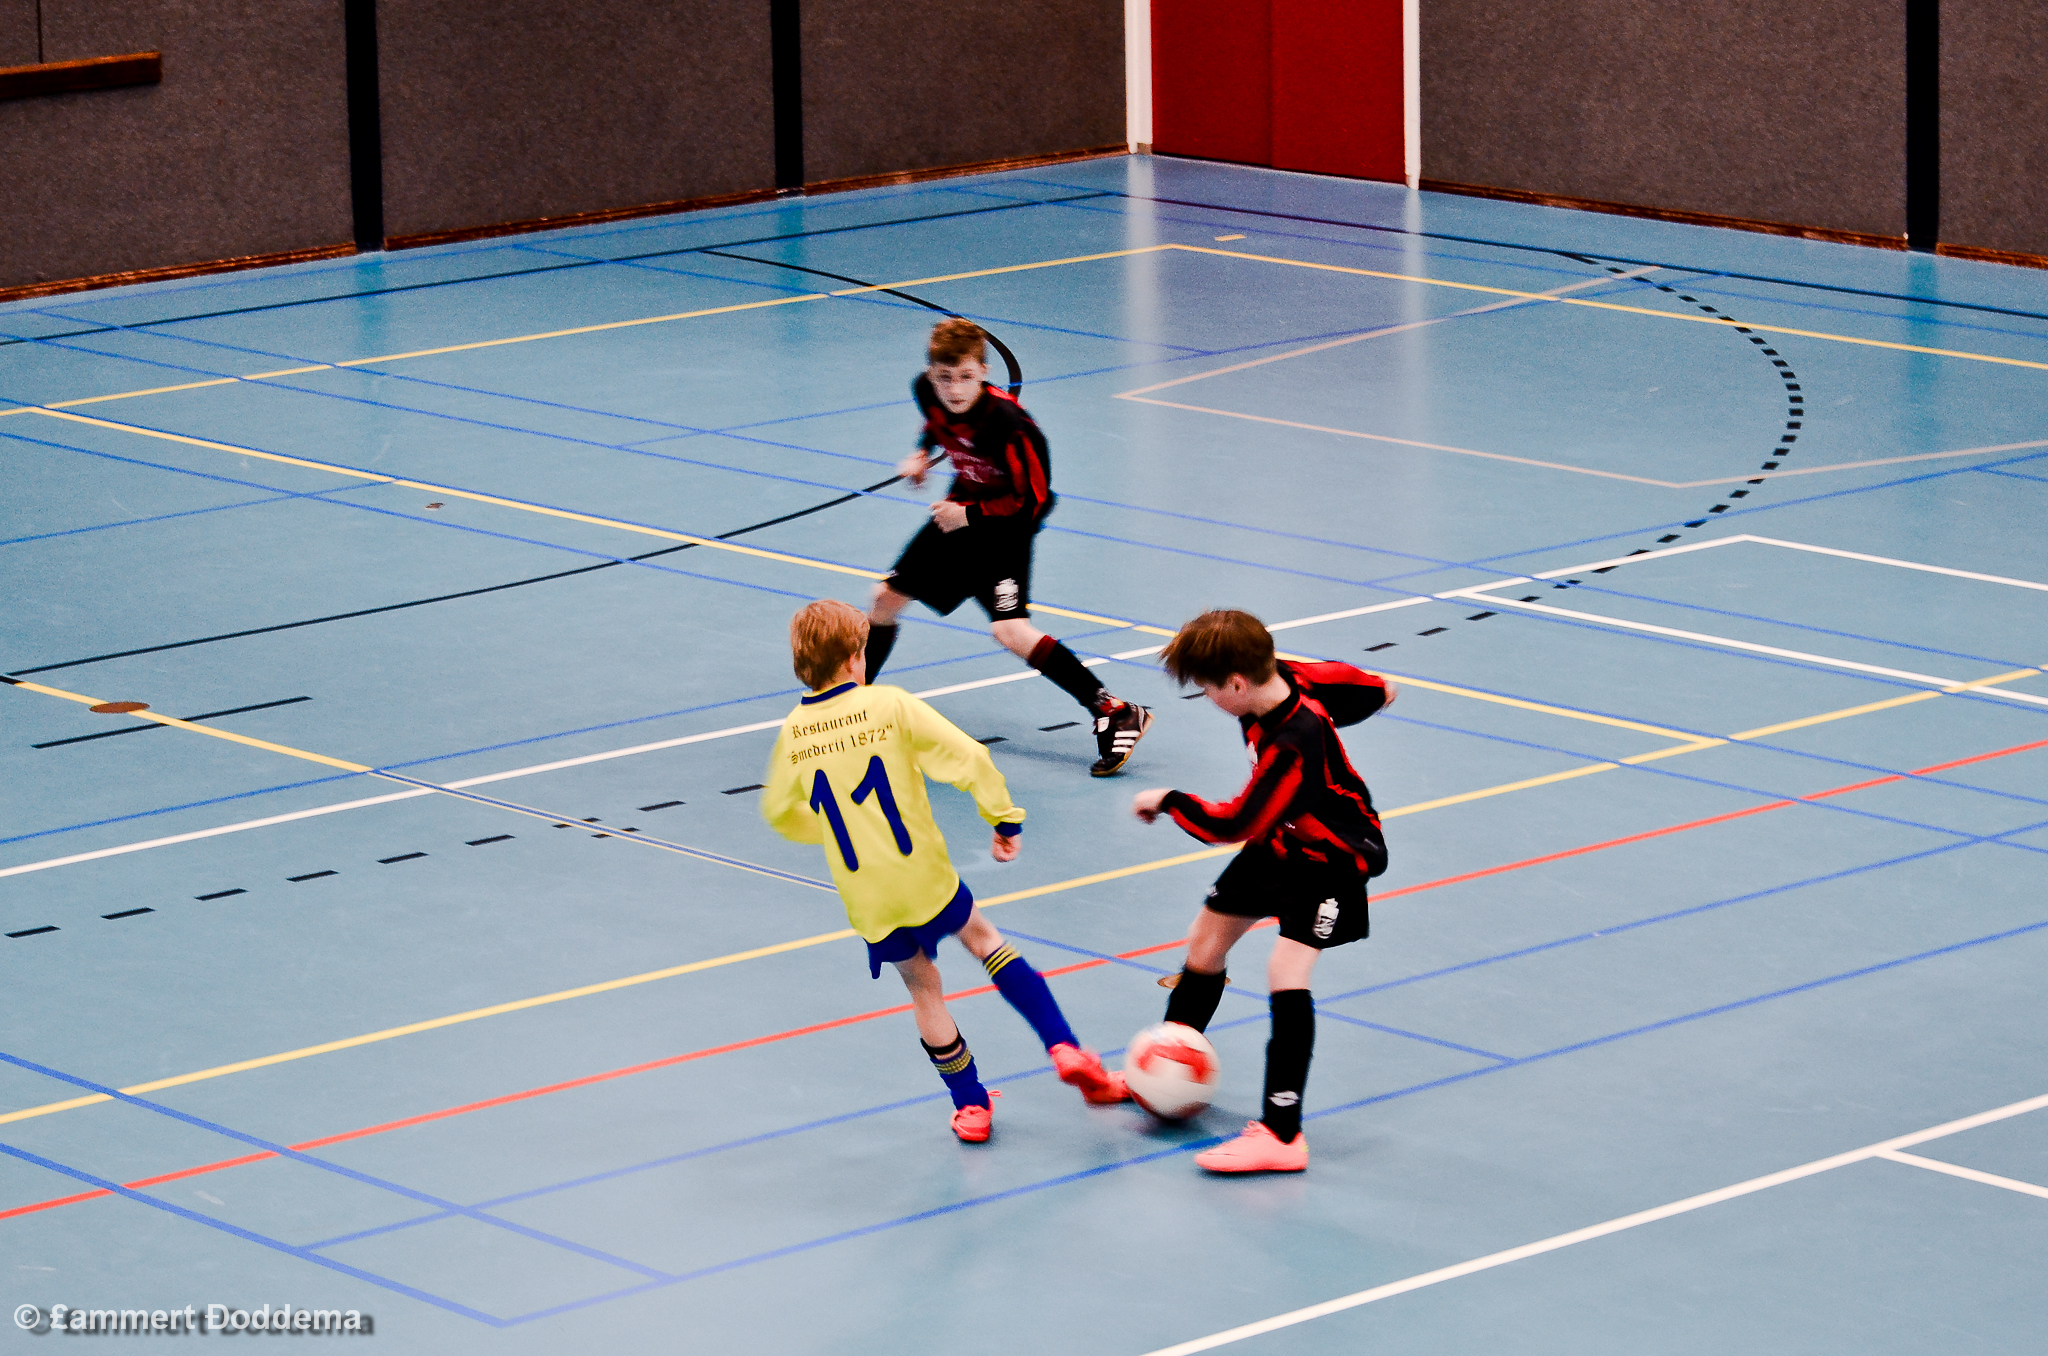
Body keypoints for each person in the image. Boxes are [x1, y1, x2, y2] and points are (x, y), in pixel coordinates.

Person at [763, 599, 1129, 1143]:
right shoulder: (888, 705)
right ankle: (1064, 1047)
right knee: (986, 943)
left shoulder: (794, 732)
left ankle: (971, 1106)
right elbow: (968, 758)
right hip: (922, 875)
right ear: (852, 660)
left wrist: (835, 832)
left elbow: (779, 811)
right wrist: (1003, 816)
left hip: (867, 895)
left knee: (924, 990)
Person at [1131, 610, 1396, 1173]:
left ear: (1236, 683)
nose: (1208, 699)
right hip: (1282, 840)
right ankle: (1170, 1066)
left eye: (1207, 689)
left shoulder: (1292, 742)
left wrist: (1169, 800)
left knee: (1286, 971)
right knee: (1206, 941)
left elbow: (1232, 824)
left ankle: (1281, 1133)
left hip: (1331, 858)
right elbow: (1374, 687)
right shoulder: (1287, 674)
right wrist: (1373, 697)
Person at [864, 317, 1152, 777]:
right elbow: (937, 423)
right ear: (930, 374)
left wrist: (970, 517)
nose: (954, 389)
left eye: (965, 377)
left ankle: (1114, 711)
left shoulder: (1010, 426)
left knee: (1011, 631)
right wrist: (921, 454)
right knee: (884, 598)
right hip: (958, 514)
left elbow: (1033, 502)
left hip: (1004, 530)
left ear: (983, 372)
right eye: (944, 378)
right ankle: (852, 708)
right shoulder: (927, 391)